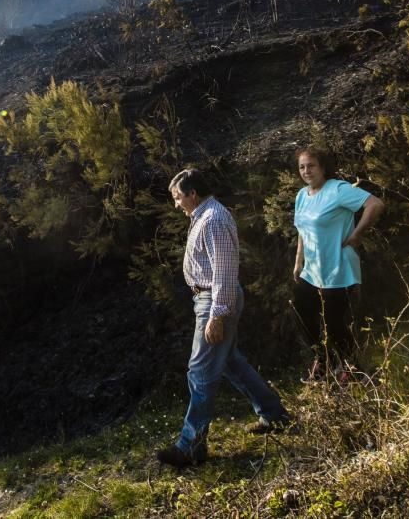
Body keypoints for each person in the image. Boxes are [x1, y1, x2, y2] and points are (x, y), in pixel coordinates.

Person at [157, 168, 292, 467]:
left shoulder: (214, 219)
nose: (177, 204)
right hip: (207, 298)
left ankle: (190, 445)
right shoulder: (203, 216)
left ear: (193, 193)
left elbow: (225, 271)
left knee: (200, 370)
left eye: (178, 198)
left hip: (214, 300)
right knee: (231, 363)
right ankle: (275, 415)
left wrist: (217, 314)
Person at [292, 147, 384, 381]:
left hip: (338, 268)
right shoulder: (302, 195)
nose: (306, 171)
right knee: (302, 312)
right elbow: (302, 230)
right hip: (312, 271)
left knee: (334, 323)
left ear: (323, 167)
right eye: (302, 167)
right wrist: (298, 261)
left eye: (311, 165)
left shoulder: (338, 190)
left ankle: (354, 371)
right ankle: (323, 361)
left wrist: (357, 234)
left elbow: (375, 204)